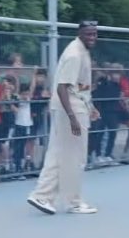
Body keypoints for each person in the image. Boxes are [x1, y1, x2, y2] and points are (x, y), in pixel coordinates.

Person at [27, 21, 100, 215]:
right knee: (74, 156)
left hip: (74, 107)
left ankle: (43, 195)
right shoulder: (75, 54)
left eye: (94, 34)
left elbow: (78, 86)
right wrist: (73, 117)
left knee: (60, 153)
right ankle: (70, 201)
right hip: (70, 110)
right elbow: (62, 87)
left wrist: (90, 106)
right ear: (80, 33)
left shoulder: (80, 50)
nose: (92, 37)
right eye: (88, 34)